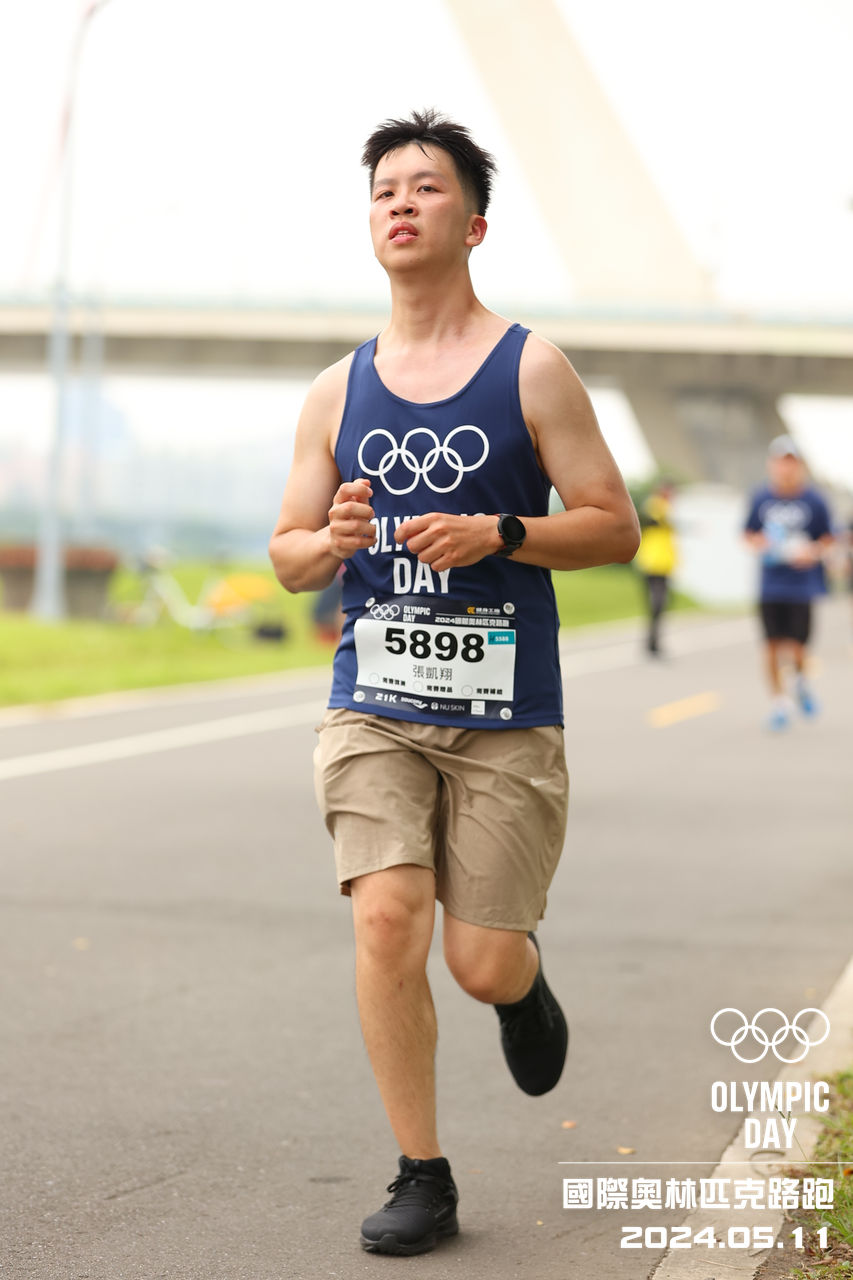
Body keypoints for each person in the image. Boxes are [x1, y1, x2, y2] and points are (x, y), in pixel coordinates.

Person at [268, 108, 640, 1256]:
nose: (400, 202)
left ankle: (519, 985)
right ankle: (421, 1171)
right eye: (384, 188)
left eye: (425, 186)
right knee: (387, 916)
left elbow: (613, 525)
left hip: (503, 715)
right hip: (373, 703)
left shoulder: (533, 367)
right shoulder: (336, 390)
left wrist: (503, 531)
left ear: (473, 224)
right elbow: (287, 556)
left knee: (475, 958)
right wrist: (330, 539)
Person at [744, 435, 833, 731]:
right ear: (772, 465)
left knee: (797, 648)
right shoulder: (761, 498)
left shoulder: (814, 500)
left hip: (801, 586)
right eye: (781, 462)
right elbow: (747, 534)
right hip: (770, 585)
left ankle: (801, 682)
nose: (786, 468)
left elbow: (828, 538)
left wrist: (813, 552)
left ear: (799, 466)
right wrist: (761, 544)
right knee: (771, 646)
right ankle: (779, 703)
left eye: (791, 462)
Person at [634, 479, 677, 657]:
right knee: (657, 603)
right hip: (653, 563)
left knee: (659, 605)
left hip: (663, 564)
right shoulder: (656, 506)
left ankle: (654, 640)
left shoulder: (666, 509)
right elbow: (653, 518)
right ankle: (652, 642)